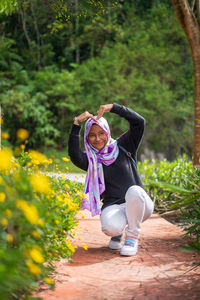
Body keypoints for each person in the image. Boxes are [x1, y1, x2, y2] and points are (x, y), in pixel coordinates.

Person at [68, 103, 154, 256]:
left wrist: (114, 108)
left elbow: (139, 122)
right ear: (87, 137)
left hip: (140, 204)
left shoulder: (125, 145)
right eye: (92, 135)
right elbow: (74, 154)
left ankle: (132, 238)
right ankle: (118, 232)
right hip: (114, 206)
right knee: (109, 227)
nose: (97, 139)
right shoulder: (90, 160)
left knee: (134, 191)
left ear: (107, 132)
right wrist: (76, 123)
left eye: (101, 133)